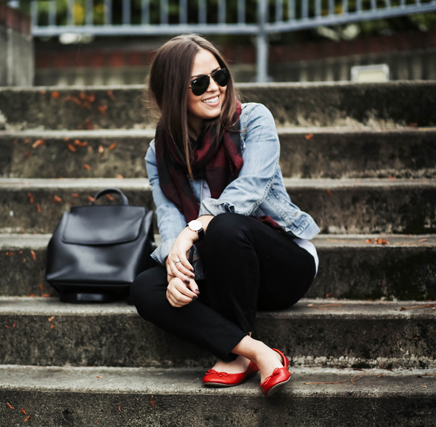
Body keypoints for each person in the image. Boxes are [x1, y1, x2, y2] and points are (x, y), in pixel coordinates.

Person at [130, 34, 320, 397]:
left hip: (279, 264)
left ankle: (230, 355)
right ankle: (253, 352)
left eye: (220, 76)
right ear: (173, 91)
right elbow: (168, 213)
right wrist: (175, 264)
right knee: (144, 287)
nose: (214, 88)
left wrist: (193, 230)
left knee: (224, 226)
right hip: (217, 273)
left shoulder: (253, 122)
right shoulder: (159, 153)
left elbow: (247, 194)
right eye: (199, 83)